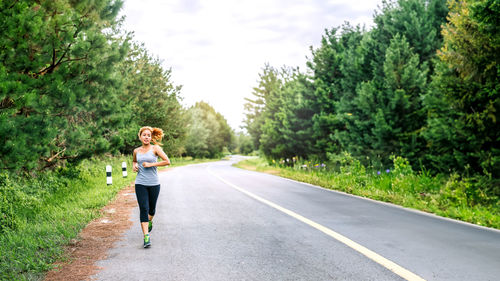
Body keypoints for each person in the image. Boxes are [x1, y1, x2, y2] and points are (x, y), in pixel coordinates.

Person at [133, 126, 170, 248]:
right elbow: (134, 162)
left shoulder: (155, 148)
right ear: (140, 137)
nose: (146, 137)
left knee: (151, 209)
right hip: (140, 183)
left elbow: (167, 161)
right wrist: (134, 166)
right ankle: (146, 236)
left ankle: (149, 221)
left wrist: (151, 164)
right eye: (144, 135)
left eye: (149, 135)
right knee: (143, 208)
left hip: (154, 183)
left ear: (151, 137)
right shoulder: (136, 151)